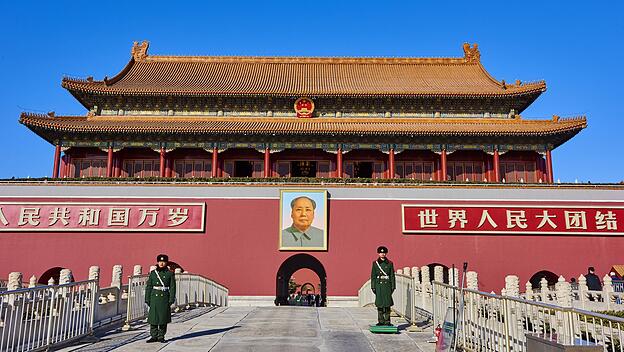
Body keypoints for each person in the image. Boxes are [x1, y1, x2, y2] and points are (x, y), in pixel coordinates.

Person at [145, 254, 177, 343]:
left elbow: (173, 287)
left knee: (163, 318)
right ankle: (153, 336)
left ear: (166, 263)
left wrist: (171, 299)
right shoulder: (153, 273)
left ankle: (161, 336)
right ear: (157, 262)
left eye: (163, 262)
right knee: (153, 318)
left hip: (164, 298)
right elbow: (149, 286)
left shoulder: (170, 274)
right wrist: (147, 298)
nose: (161, 263)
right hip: (154, 297)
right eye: (160, 262)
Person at [370, 246, 395, 326]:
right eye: (381, 253)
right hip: (379, 286)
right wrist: (373, 286)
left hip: (387, 285)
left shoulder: (390, 263)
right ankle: (381, 321)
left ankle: (387, 321)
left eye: (384, 253)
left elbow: (392, 275)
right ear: (378, 253)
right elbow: (373, 276)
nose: (382, 254)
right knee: (380, 304)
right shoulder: (375, 264)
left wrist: (393, 286)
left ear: (386, 253)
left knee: (387, 304)